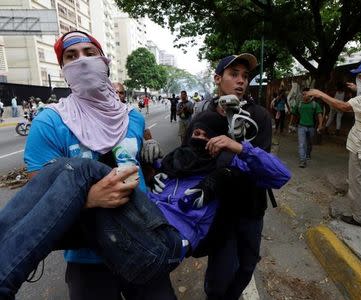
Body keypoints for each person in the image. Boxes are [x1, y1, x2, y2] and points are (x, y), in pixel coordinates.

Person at [0, 111, 291, 299]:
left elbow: (280, 175)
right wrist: (144, 162)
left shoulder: (228, 168)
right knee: (65, 175)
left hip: (166, 244)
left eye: (207, 136)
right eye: (195, 134)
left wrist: (240, 147)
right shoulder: (173, 163)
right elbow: (136, 179)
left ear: (219, 140)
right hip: (135, 233)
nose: (198, 140)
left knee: (79, 170)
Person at [23, 30, 169, 300]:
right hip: (88, 254)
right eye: (71, 56)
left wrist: (152, 163)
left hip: (144, 239)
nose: (82, 61)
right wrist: (87, 199)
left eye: (90, 53)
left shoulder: (132, 117)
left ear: (104, 63)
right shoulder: (50, 122)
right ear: (64, 70)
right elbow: (38, 193)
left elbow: (141, 166)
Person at [190, 53, 274, 300]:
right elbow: (192, 165)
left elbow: (264, 164)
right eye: (233, 74)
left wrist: (239, 146)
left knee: (247, 267)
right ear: (218, 79)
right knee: (220, 276)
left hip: (252, 208)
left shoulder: (259, 116)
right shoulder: (204, 119)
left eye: (245, 76)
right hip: (220, 212)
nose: (241, 81)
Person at [305, 59, 361, 227]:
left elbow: (344, 107)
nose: (358, 78)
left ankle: (359, 217)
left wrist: (320, 94)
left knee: (357, 182)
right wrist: (359, 89)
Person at [291, 87, 324, 168]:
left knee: (309, 143)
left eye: (306, 94)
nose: (304, 96)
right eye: (303, 94)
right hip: (301, 127)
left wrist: (320, 125)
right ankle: (302, 160)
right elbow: (293, 114)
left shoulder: (314, 104)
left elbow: (319, 115)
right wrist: (290, 123)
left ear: (310, 95)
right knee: (301, 144)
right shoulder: (299, 103)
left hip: (311, 127)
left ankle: (308, 154)